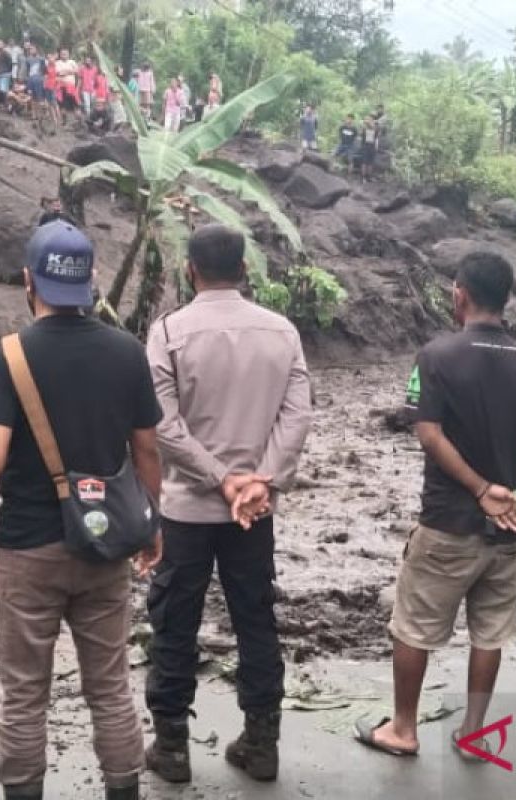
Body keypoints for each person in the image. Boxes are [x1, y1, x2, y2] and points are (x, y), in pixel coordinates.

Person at [0, 220, 162, 800]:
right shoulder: (127, 352)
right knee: (109, 687)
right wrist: (153, 525)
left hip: (27, 548)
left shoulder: (8, 357)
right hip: (104, 546)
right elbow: (147, 450)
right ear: (92, 283)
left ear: (29, 281)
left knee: (25, 692)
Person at [357, 251, 516, 760]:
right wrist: (508, 494)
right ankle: (474, 732)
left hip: (447, 521)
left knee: (414, 625)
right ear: (505, 298)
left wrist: (481, 490)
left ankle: (402, 728)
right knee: (490, 631)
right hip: (508, 526)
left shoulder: (436, 356)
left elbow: (428, 433)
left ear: (460, 293)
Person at [143, 224, 312, 785]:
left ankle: (171, 748)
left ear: (190, 270)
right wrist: (259, 482)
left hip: (187, 510)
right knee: (255, 619)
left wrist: (220, 480)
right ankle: (262, 743)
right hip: (253, 515)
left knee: (174, 622)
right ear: (244, 269)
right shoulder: (282, 332)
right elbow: (297, 417)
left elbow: (163, 427)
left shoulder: (168, 332)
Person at [357, 115, 380, 181]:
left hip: (372, 146)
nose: (368, 120)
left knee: (370, 163)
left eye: (370, 119)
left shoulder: (376, 128)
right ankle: (363, 177)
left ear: (372, 120)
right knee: (364, 162)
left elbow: (376, 138)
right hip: (365, 146)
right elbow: (360, 134)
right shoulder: (364, 128)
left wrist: (376, 146)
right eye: (367, 119)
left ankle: (369, 177)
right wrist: (364, 124)